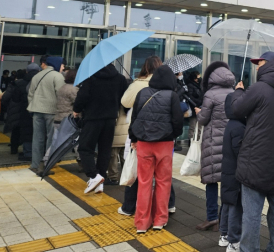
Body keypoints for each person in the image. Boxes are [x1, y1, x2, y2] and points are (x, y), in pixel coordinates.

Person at [230, 51, 274, 252]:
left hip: (255, 160)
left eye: (261, 62)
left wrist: (238, 92)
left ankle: (249, 249)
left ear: (270, 64)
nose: (257, 66)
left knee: (252, 212)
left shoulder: (258, 88)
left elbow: (236, 110)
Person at [129, 65, 183, 233]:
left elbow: (135, 117)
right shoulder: (172, 96)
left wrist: (133, 138)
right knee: (163, 182)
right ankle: (160, 219)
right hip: (164, 144)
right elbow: (177, 122)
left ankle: (142, 223)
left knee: (144, 183)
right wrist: (173, 135)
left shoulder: (142, 93)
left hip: (144, 143)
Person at [73, 63, 128, 194]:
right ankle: (100, 181)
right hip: (110, 119)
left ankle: (94, 176)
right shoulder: (120, 78)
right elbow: (124, 98)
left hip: (92, 118)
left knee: (85, 148)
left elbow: (82, 96)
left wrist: (76, 110)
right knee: (105, 150)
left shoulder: (90, 77)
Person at [194, 61, 236, 232]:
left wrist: (198, 112)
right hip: (230, 141)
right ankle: (225, 218)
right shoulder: (234, 92)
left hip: (213, 142)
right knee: (227, 181)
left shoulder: (211, 94)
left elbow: (203, 119)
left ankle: (212, 217)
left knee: (211, 182)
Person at [27, 56, 65, 175]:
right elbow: (61, 95)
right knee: (51, 139)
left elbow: (30, 94)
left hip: (36, 110)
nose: (63, 67)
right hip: (51, 111)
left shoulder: (37, 75)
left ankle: (35, 164)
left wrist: (32, 107)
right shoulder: (57, 76)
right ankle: (46, 165)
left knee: (37, 138)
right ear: (57, 64)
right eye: (63, 64)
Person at [219, 94, 246, 252]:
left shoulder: (231, 123)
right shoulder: (239, 127)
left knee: (227, 203)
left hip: (228, 171)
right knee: (236, 205)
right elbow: (241, 152)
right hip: (236, 172)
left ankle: (224, 235)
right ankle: (234, 241)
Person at [44, 69, 79, 165]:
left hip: (59, 118)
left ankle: (45, 161)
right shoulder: (73, 89)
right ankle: (82, 162)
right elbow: (78, 104)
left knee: (55, 143)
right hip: (69, 120)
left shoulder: (62, 88)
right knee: (77, 141)